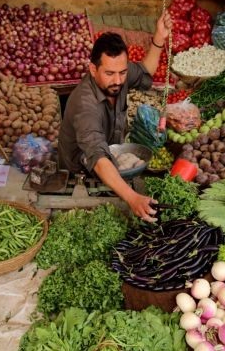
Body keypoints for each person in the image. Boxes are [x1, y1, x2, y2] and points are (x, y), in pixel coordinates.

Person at [58, 11, 172, 222]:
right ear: (93, 69)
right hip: (82, 170)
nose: (118, 81)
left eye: (122, 72)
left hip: (111, 157)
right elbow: (98, 158)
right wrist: (133, 198)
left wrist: (158, 38)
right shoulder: (86, 105)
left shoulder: (120, 76)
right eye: (109, 73)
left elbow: (146, 70)